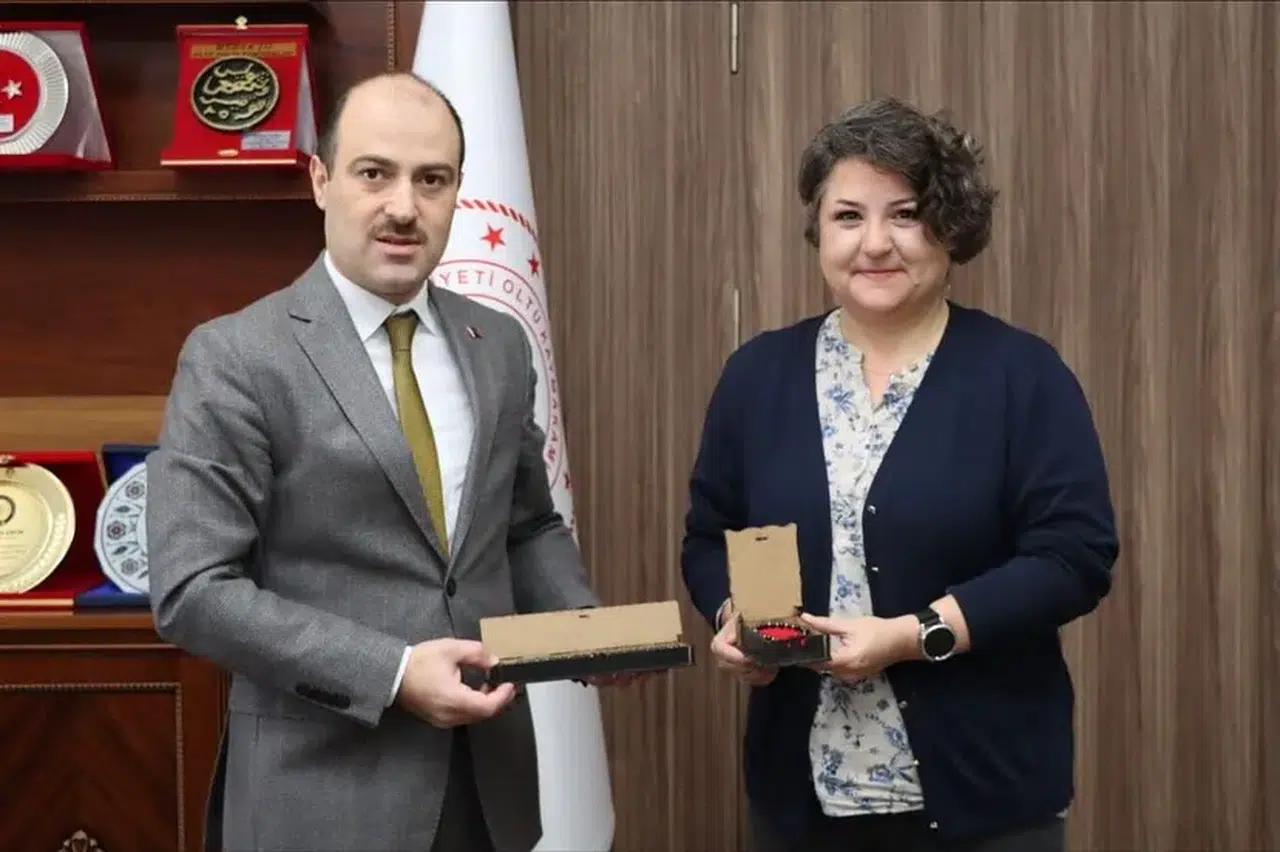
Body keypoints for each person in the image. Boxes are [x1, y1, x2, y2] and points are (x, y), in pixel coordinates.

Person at [148, 71, 624, 852]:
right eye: (375, 173)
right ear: (321, 180)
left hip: (488, 789)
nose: (404, 207)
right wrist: (394, 672)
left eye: (432, 180)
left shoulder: (497, 344)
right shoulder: (237, 356)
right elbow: (192, 590)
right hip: (322, 798)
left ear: (457, 191)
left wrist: (584, 631)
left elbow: (525, 525)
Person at [680, 97, 1119, 851]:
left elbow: (1073, 557)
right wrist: (735, 622)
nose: (875, 243)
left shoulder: (1022, 375)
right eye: (848, 216)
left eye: (906, 215)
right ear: (819, 230)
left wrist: (914, 636)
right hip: (799, 800)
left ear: (951, 228)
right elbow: (710, 536)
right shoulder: (758, 375)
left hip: (987, 798)